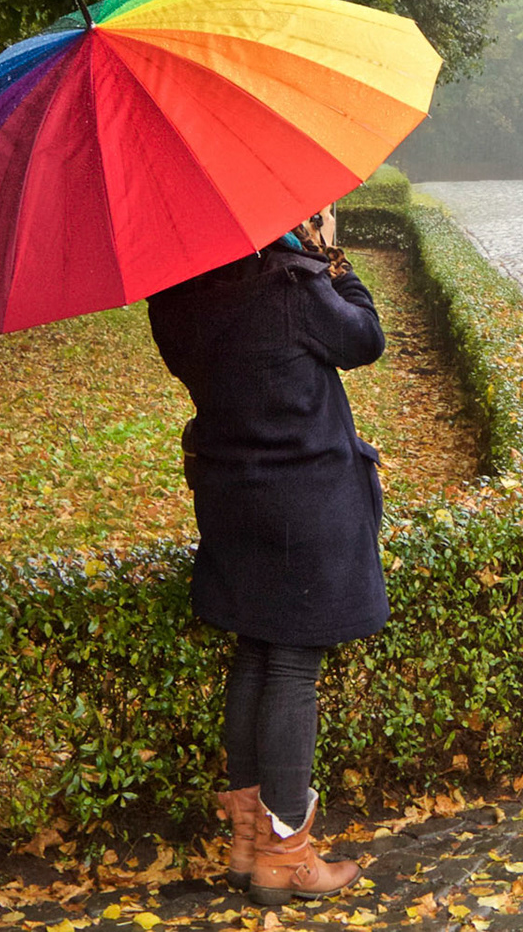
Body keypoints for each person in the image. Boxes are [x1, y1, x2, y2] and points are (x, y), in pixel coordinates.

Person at [147, 208, 386, 906]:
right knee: (291, 663)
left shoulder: (174, 293)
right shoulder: (287, 282)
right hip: (302, 500)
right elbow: (365, 338)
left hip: (231, 497)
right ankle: (287, 851)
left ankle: (248, 842)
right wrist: (332, 255)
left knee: (256, 649)